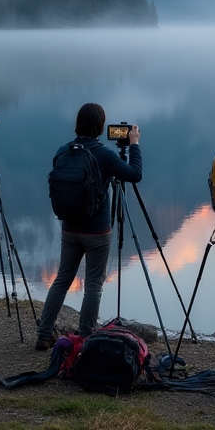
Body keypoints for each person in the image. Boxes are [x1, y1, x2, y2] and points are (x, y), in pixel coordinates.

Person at [35, 103, 142, 350]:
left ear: (77, 124)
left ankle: (44, 333)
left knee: (62, 280)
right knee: (93, 284)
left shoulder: (63, 151)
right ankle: (84, 338)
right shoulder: (104, 155)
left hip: (69, 228)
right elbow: (135, 174)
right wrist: (134, 144)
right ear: (101, 127)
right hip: (97, 230)